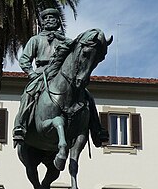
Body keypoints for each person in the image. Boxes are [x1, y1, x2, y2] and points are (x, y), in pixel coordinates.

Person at [13, 8, 108, 147]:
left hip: (62, 73)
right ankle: (20, 126)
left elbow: (78, 56)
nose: (49, 20)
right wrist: (32, 73)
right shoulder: (36, 40)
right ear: (42, 22)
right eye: (46, 18)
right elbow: (24, 60)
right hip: (42, 73)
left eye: (52, 17)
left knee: (87, 96)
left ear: (58, 21)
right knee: (28, 93)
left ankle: (97, 130)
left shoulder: (67, 41)